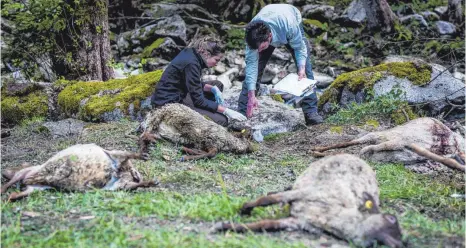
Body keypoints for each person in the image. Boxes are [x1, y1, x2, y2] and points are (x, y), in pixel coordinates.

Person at [238, 4, 324, 125]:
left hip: (288, 21)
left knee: (306, 71)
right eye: (256, 49)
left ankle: (311, 113)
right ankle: (242, 113)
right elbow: (252, 68)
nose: (259, 52)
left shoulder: (289, 25)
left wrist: (301, 68)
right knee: (253, 71)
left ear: (270, 37)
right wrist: (251, 95)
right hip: (267, 23)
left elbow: (300, 48)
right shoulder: (252, 36)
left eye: (262, 48)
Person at [151, 36, 247, 126]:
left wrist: (213, 89)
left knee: (217, 85)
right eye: (216, 60)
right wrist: (226, 110)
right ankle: (202, 111)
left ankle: (206, 109)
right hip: (169, 102)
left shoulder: (191, 53)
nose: (216, 64)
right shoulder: (192, 64)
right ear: (207, 54)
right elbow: (199, 101)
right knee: (222, 120)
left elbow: (192, 83)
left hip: (181, 92)